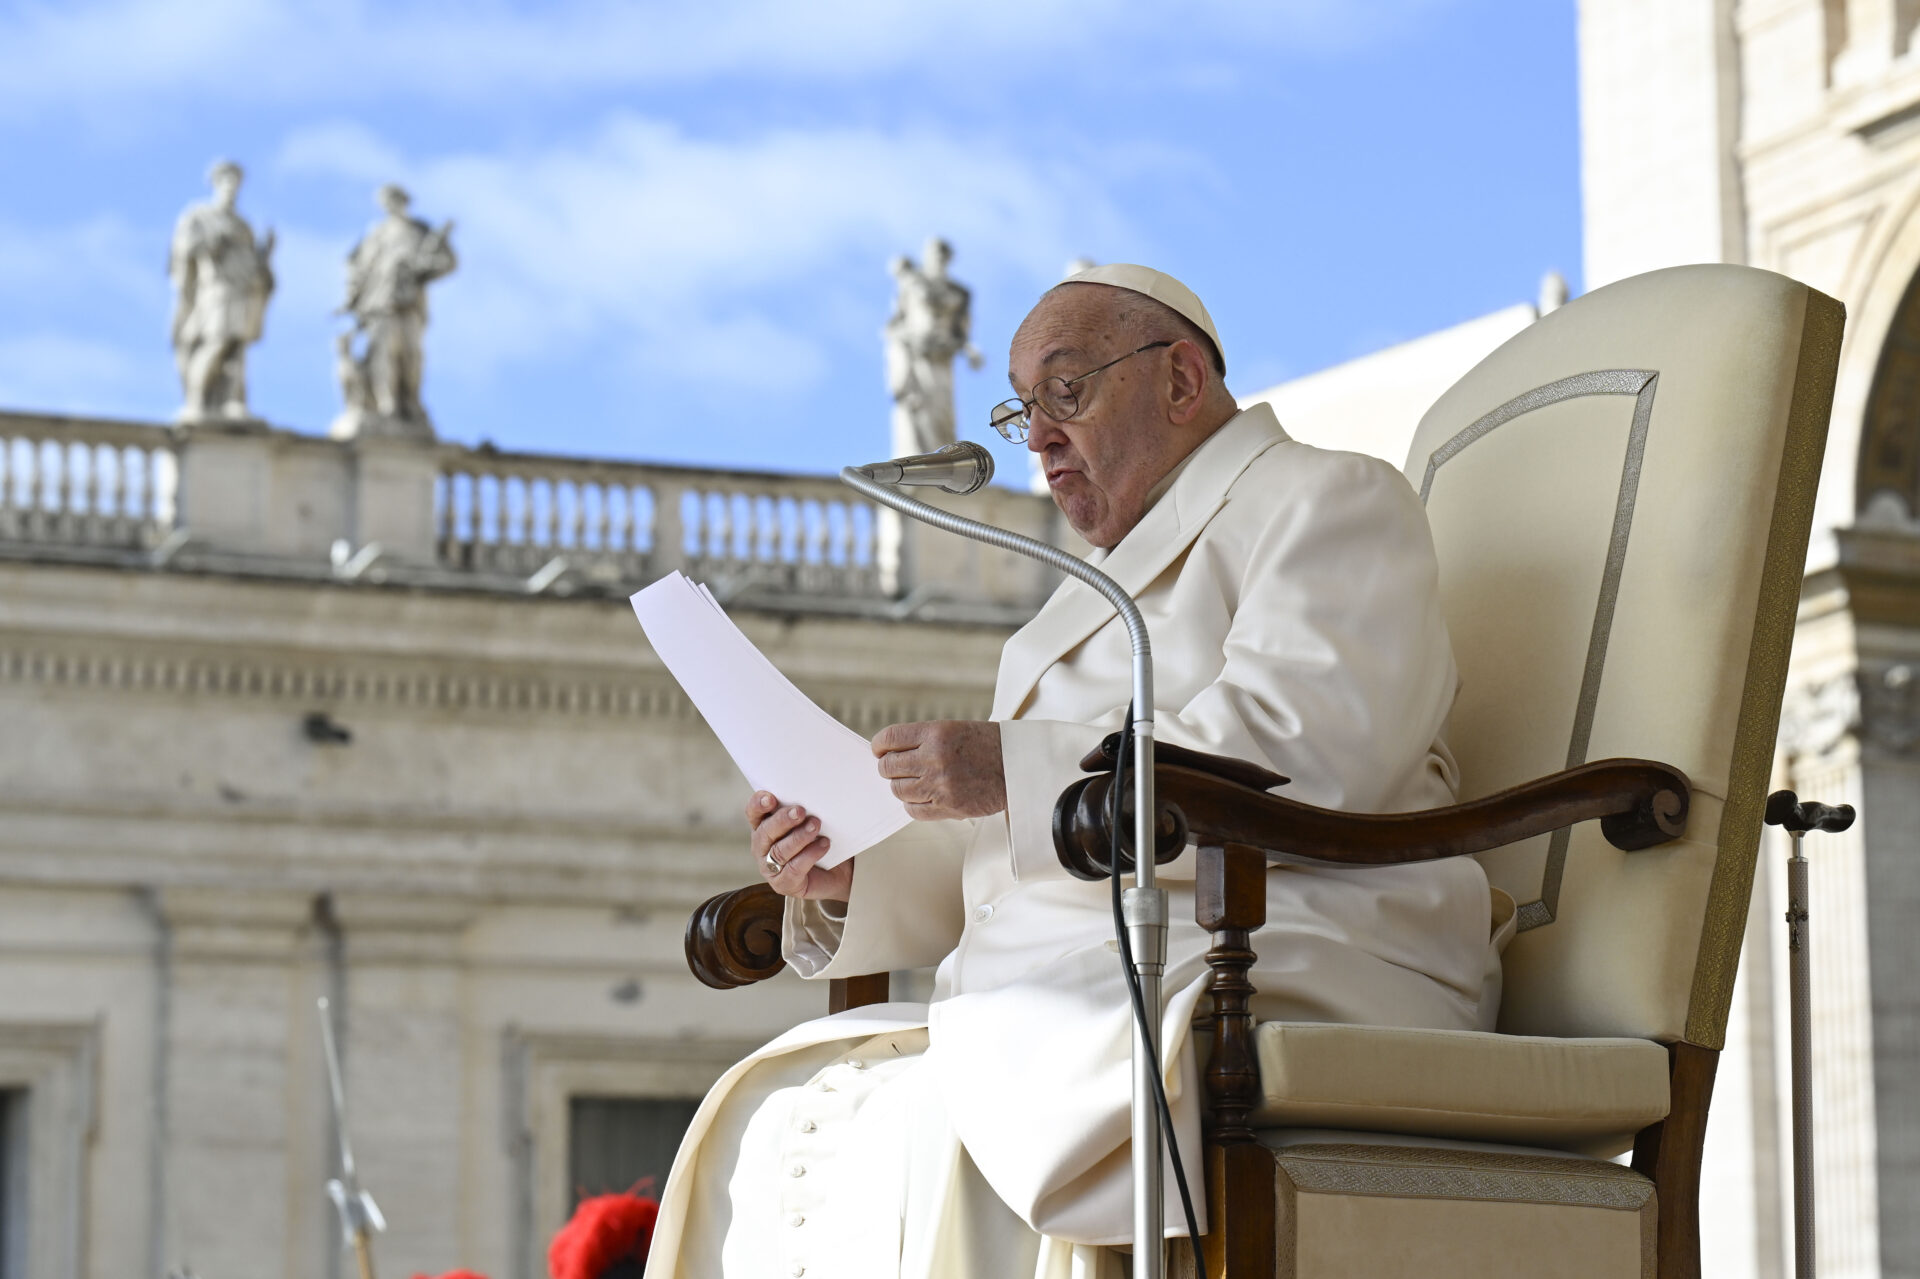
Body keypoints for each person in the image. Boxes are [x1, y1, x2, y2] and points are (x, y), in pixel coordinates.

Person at [649, 265, 1502, 1278]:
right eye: (1024, 412)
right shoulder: (1076, 600)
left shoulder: (1326, 499)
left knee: (936, 1117)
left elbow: (1304, 752)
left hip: (1288, 950)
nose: (1041, 438)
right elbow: (1007, 857)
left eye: (1067, 392)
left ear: (1180, 381)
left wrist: (1009, 769)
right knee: (781, 1108)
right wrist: (854, 871)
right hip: (1086, 980)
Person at [337, 184, 457, 436]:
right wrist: (352, 298)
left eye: (395, 199)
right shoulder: (376, 235)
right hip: (379, 303)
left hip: (409, 303)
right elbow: (357, 270)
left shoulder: (419, 231)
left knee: (411, 354)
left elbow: (446, 262)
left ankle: (409, 404)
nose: (391, 205)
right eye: (386, 200)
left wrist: (421, 267)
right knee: (384, 353)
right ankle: (387, 403)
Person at [169, 160, 275, 422]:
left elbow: (251, 262)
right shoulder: (199, 216)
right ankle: (197, 402)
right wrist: (210, 243)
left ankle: (233, 401)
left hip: (244, 289)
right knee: (216, 341)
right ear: (216, 184)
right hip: (216, 289)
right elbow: (184, 252)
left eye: (236, 183)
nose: (232, 188)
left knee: (236, 347)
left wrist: (265, 255)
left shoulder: (243, 226)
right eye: (227, 181)